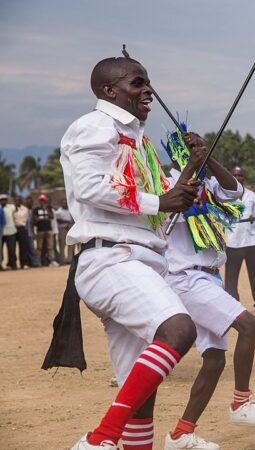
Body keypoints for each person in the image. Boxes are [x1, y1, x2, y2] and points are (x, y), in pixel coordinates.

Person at [59, 56, 202, 450]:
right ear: (110, 90)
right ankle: (98, 439)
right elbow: (89, 187)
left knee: (140, 394)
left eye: (148, 82)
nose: (148, 90)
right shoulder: (95, 126)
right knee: (179, 330)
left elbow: (152, 207)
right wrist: (159, 202)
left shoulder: (137, 138)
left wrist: (185, 181)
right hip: (111, 259)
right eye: (138, 83)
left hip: (138, 259)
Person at [163, 132, 255, 450]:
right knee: (250, 325)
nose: (192, 154)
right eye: (186, 150)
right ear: (176, 154)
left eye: (196, 148)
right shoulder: (166, 181)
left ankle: (180, 434)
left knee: (214, 361)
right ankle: (241, 403)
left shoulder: (208, 184)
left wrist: (208, 156)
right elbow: (170, 206)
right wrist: (190, 168)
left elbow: (236, 190)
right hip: (185, 278)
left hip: (209, 277)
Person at [224, 167, 255, 316]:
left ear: (244, 177)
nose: (237, 177)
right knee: (231, 277)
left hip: (251, 240)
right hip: (232, 241)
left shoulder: (251, 195)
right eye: (235, 175)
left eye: (240, 175)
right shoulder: (224, 195)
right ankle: (233, 306)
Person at [33, 193, 58, 267]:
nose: (42, 202)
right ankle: (38, 261)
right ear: (39, 201)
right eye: (41, 200)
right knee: (39, 247)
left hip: (49, 230)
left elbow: (52, 216)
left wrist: (46, 210)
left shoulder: (49, 208)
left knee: (50, 246)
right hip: (40, 230)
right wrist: (43, 218)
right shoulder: (36, 209)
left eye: (43, 200)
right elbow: (35, 219)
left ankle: (52, 261)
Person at [13, 196, 32, 269]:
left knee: (23, 247)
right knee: (12, 247)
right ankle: (13, 264)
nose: (17, 202)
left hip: (21, 228)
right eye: (16, 200)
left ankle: (24, 263)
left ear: (21, 201)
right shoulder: (12, 208)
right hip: (13, 229)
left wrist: (15, 212)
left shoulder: (25, 209)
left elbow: (22, 218)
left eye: (18, 200)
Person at [55, 199, 76, 264]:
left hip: (70, 228)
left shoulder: (70, 210)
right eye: (63, 203)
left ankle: (69, 260)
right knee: (62, 245)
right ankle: (62, 260)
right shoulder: (58, 212)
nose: (65, 204)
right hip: (62, 229)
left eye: (66, 203)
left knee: (71, 244)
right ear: (61, 204)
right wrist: (66, 222)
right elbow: (58, 220)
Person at [1, 194, 17, 270]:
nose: (3, 201)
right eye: (1, 200)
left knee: (11, 249)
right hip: (1, 232)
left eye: (4, 199)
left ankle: (12, 264)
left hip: (10, 231)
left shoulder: (11, 207)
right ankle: (0, 264)